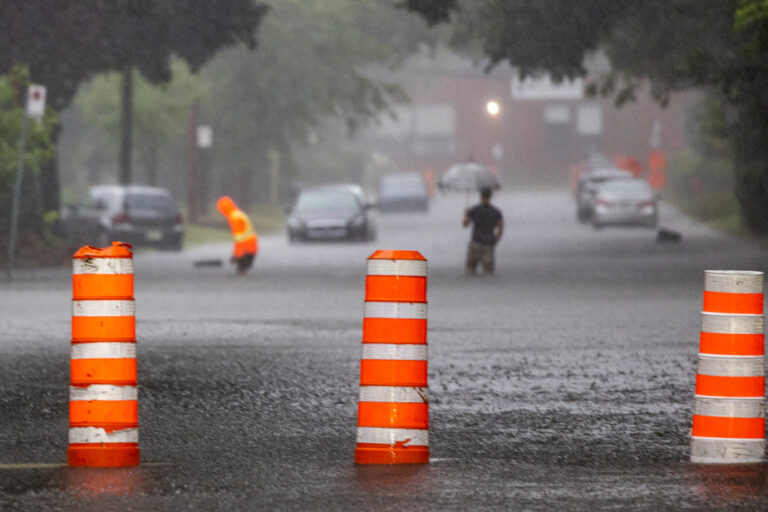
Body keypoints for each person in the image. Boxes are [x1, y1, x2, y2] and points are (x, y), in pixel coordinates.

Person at [462, 187, 503, 276]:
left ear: (480, 196)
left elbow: (465, 224)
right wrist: (495, 241)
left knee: (470, 271)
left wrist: (466, 214)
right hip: (488, 245)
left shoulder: (474, 210)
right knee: (488, 273)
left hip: (475, 244)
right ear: (490, 196)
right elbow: (500, 228)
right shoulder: (496, 212)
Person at [216, 196, 258, 275]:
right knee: (244, 265)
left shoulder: (234, 217)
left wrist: (236, 255)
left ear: (223, 209)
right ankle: (242, 269)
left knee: (242, 267)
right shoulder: (237, 213)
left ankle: (242, 272)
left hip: (247, 246)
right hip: (251, 244)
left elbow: (239, 239)